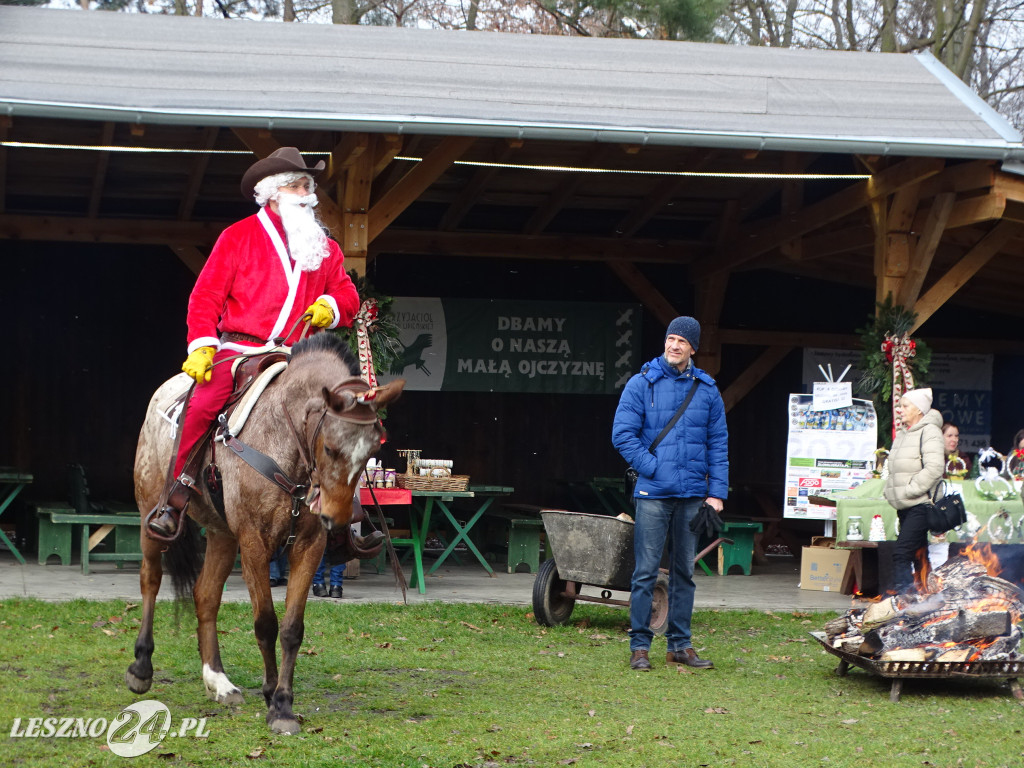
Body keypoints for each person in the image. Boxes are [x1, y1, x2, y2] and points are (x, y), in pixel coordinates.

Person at [148, 147, 360, 538]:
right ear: (274, 192)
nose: (308, 194)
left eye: (308, 186)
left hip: (297, 355)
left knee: (344, 413)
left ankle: (352, 514)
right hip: (240, 350)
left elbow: (349, 296)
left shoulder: (324, 247)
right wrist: (202, 346)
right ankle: (175, 496)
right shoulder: (237, 237)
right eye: (298, 186)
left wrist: (331, 307)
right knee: (203, 404)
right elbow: (205, 297)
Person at [612, 316, 728, 671]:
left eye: (682, 341)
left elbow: (718, 444)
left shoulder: (707, 390)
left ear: (693, 348)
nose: (674, 345)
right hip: (653, 494)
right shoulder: (640, 384)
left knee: (684, 573)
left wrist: (716, 493)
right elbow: (622, 435)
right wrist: (653, 468)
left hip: (693, 495)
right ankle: (640, 648)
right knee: (645, 571)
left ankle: (680, 645)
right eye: (670, 338)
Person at [883, 388, 945, 592]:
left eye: (905, 406)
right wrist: (891, 490)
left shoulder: (930, 431)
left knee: (902, 553)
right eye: (900, 405)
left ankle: (903, 599)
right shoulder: (903, 434)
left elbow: (935, 467)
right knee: (919, 554)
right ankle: (925, 595)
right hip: (905, 504)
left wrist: (911, 489)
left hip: (921, 503)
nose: (900, 410)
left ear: (919, 410)